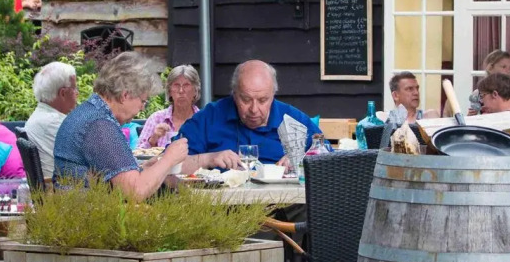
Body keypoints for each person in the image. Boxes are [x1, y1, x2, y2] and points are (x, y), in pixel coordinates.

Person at [53, 51, 189, 201]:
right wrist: (169, 159)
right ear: (125, 95)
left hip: (77, 209)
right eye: (143, 101)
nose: (142, 108)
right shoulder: (99, 125)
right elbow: (134, 192)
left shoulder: (90, 113)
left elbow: (118, 177)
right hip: (90, 217)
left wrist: (146, 170)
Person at [176, 60, 321, 167]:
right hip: (220, 205)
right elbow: (168, 164)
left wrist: (302, 160)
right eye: (245, 99)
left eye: (263, 100)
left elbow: (327, 158)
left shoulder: (292, 119)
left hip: (285, 205)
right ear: (234, 93)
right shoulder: (210, 117)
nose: (254, 109)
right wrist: (208, 159)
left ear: (273, 95)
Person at [24, 61, 78, 177]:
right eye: (74, 89)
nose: (77, 93)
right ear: (63, 93)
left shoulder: (40, 116)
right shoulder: (56, 123)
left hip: (57, 188)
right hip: (64, 191)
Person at [138, 65, 201, 149]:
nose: (181, 91)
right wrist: (153, 140)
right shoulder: (156, 119)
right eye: (176, 85)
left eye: (186, 85)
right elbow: (138, 155)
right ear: (170, 91)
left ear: (195, 91)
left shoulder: (204, 121)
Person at [468, 49, 510, 116]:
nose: (508, 71)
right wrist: (471, 116)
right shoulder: (478, 94)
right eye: (503, 67)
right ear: (490, 68)